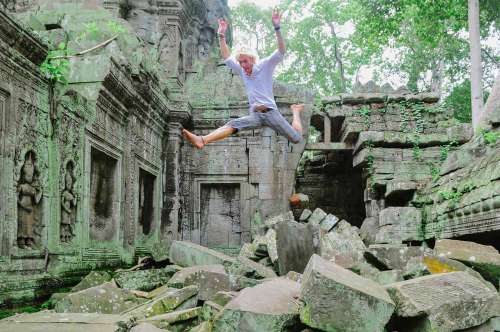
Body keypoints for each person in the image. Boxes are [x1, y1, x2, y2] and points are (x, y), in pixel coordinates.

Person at [182, 9, 304, 149]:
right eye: (240, 62)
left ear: (252, 59)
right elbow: (227, 58)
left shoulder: (265, 66)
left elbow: (281, 51)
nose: (242, 65)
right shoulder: (242, 70)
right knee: (232, 125)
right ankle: (202, 140)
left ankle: (295, 110)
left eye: (245, 61)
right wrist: (221, 34)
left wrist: (277, 27)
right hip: (255, 115)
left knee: (296, 138)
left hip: (271, 113)